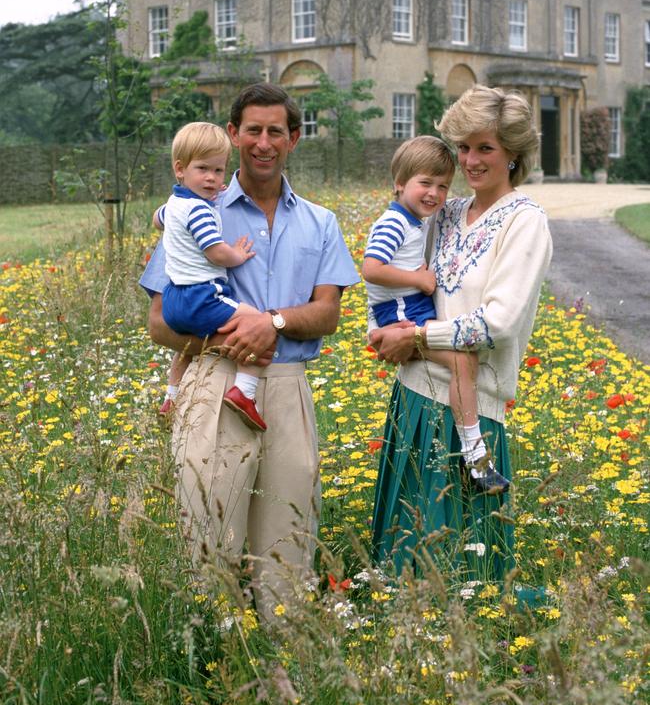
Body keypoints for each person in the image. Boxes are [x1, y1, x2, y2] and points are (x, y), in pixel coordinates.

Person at [139, 84, 359, 620]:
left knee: (289, 541)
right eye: (252, 131)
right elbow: (158, 321)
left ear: (294, 139)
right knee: (209, 539)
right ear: (234, 135)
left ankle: (286, 672)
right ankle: (214, 667)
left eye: (276, 132)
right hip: (214, 380)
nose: (263, 143)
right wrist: (229, 338)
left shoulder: (319, 222)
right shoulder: (194, 208)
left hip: (286, 388)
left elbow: (327, 312)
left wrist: (273, 322)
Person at [369, 85, 552, 584]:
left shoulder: (524, 222)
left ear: (513, 154)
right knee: (405, 558)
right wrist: (382, 328)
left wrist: (416, 337)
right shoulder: (445, 212)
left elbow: (496, 323)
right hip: (412, 396)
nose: (470, 160)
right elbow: (396, 271)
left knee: (462, 571)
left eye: (485, 148)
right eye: (464, 147)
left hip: (472, 409)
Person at [362, 136, 509, 494]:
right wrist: (419, 279)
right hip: (403, 314)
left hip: (410, 310)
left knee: (463, 363)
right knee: (462, 363)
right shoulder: (394, 223)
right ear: (399, 183)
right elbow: (371, 269)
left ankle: (473, 454)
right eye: (425, 183)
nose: (434, 193)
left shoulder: (416, 221)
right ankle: (475, 459)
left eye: (443, 186)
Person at [155, 121, 267, 432]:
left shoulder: (174, 204)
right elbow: (215, 252)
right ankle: (244, 392)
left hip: (174, 300)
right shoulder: (200, 211)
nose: (212, 178)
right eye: (203, 169)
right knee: (257, 324)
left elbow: (157, 219)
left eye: (219, 171)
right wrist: (238, 255)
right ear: (180, 169)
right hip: (203, 294)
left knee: (185, 350)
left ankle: (171, 396)